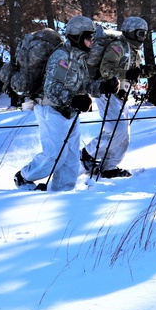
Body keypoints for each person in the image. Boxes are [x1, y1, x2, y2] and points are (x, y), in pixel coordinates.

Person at [14, 15, 96, 191]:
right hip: (51, 109)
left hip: (70, 112)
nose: (91, 42)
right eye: (89, 37)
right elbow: (52, 88)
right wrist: (74, 99)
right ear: (78, 36)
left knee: (71, 158)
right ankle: (24, 176)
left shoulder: (79, 57)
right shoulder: (62, 56)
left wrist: (103, 86)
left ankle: (62, 192)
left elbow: (83, 84)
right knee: (55, 155)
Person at [81, 16, 149, 179]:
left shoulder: (133, 51)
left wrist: (149, 71)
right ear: (130, 32)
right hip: (109, 92)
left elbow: (133, 73)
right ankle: (88, 153)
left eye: (145, 34)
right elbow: (106, 71)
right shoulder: (118, 46)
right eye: (140, 34)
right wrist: (126, 74)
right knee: (116, 130)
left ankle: (109, 167)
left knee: (124, 135)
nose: (142, 38)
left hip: (122, 96)